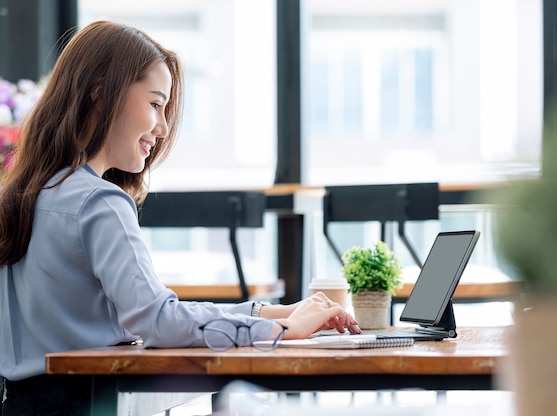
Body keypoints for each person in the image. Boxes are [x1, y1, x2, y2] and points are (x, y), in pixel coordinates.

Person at [0, 20, 360, 415]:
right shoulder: (99, 201)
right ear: (101, 93)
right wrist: (283, 331)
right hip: (90, 403)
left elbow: (158, 311)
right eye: (156, 104)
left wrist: (271, 312)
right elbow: (158, 321)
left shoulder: (28, 195)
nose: (164, 126)